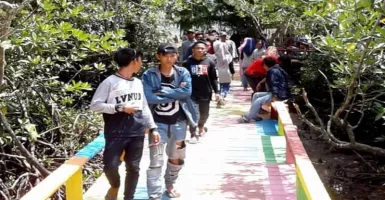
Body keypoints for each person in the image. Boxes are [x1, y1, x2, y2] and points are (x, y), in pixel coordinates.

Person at [90, 48, 160, 200]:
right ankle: (115, 186)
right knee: (110, 166)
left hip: (137, 131)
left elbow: (144, 106)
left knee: (133, 168)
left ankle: (129, 197)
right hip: (116, 131)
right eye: (140, 60)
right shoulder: (109, 82)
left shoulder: (138, 82)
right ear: (134, 61)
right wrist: (119, 108)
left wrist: (153, 127)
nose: (142, 64)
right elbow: (95, 105)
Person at [142, 43, 198, 200]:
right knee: (156, 160)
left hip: (179, 122)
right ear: (158, 56)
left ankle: (170, 184)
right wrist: (176, 93)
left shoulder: (182, 72)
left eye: (172, 55)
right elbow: (149, 97)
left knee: (177, 157)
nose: (169, 58)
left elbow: (187, 92)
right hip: (157, 123)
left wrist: (164, 92)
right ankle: (154, 194)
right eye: (165, 55)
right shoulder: (149, 74)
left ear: (177, 56)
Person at [183, 40, 220, 142]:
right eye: (197, 48)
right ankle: (193, 134)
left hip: (205, 92)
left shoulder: (210, 62)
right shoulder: (187, 63)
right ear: (193, 50)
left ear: (206, 50)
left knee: (204, 114)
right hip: (191, 93)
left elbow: (214, 78)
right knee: (193, 114)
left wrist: (217, 92)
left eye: (202, 48)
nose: (200, 50)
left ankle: (201, 126)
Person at [238, 56, 291, 123]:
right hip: (277, 92)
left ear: (265, 65)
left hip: (279, 94)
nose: (263, 67)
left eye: (264, 65)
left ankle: (247, 118)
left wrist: (275, 96)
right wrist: (260, 83)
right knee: (256, 95)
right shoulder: (275, 69)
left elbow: (274, 84)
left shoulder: (273, 71)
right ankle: (254, 115)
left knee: (258, 101)